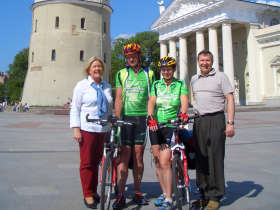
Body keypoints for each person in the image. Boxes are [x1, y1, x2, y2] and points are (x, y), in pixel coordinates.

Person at [191, 50, 235, 210]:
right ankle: (203, 194)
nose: (204, 63)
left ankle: (215, 196)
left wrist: (230, 123)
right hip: (199, 121)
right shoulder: (194, 79)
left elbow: (229, 98)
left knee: (215, 158)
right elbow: (194, 99)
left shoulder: (221, 77)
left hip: (216, 119)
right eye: (202, 60)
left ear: (212, 62)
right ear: (198, 62)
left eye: (207, 60)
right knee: (200, 158)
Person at [113, 43, 155, 209]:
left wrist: (151, 117)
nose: (131, 59)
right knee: (124, 154)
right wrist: (117, 120)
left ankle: (137, 191)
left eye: (133, 56)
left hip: (141, 118)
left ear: (139, 56)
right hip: (126, 118)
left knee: (138, 155)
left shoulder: (149, 73)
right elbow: (118, 98)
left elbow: (152, 97)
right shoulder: (122, 73)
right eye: (128, 57)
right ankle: (121, 194)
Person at [70, 57, 112, 209]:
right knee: (87, 162)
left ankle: (94, 191)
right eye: (94, 66)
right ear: (89, 69)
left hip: (102, 129)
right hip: (87, 128)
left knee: (96, 162)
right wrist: (76, 128)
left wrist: (111, 123)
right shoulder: (82, 86)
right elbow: (75, 107)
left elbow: (108, 107)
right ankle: (87, 193)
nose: (97, 69)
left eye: (99, 66)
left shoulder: (106, 86)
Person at [147, 56, 189, 210]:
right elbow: (151, 101)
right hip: (155, 126)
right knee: (157, 161)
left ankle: (170, 198)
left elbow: (184, 99)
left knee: (165, 162)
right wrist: (150, 117)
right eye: (163, 69)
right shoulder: (157, 84)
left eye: (169, 69)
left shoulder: (179, 84)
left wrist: (183, 113)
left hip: (170, 125)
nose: (166, 72)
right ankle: (164, 192)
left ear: (173, 70)